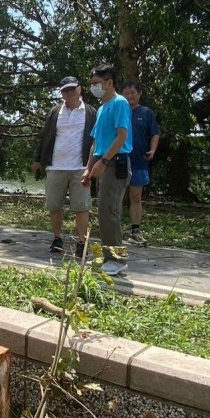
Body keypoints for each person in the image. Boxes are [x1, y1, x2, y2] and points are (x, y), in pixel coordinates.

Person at [32, 76, 97, 258]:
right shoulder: (55, 112)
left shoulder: (91, 112)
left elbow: (97, 139)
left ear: (79, 89)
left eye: (71, 89)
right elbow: (45, 136)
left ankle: (82, 242)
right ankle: (57, 238)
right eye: (64, 90)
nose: (68, 93)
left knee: (82, 206)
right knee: (54, 205)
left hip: (81, 166)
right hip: (56, 166)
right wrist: (37, 159)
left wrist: (95, 164)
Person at [81, 65, 132, 275]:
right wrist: (89, 167)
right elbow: (96, 142)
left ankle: (118, 260)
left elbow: (122, 136)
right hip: (103, 163)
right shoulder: (102, 108)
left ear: (109, 82)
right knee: (103, 211)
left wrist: (103, 162)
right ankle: (109, 255)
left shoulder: (120, 103)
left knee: (109, 211)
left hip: (115, 162)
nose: (93, 87)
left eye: (96, 83)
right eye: (92, 83)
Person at [123, 82, 160, 246]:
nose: (129, 96)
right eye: (126, 93)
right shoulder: (119, 110)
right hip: (119, 161)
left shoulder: (146, 113)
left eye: (132, 92)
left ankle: (135, 231)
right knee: (114, 197)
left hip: (139, 161)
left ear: (139, 94)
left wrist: (152, 151)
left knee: (136, 197)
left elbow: (154, 134)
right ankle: (112, 230)